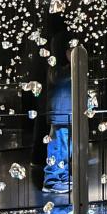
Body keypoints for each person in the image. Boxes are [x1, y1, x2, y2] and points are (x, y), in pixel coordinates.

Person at [42, 22, 72, 194]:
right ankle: (52, 180)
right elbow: (59, 79)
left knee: (67, 149)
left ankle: (63, 175)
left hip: (67, 114)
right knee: (58, 148)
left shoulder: (66, 69)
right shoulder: (56, 69)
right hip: (60, 114)